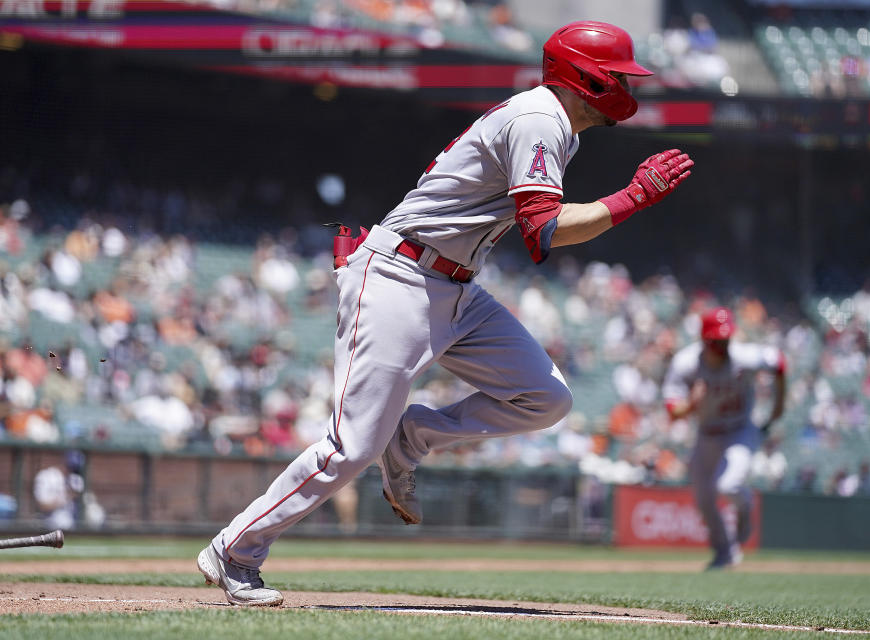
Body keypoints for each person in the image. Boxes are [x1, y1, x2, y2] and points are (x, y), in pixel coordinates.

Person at [198, 20, 694, 606]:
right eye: (617, 75)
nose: (626, 86)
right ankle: (234, 550)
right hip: (400, 279)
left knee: (547, 398)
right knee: (351, 446)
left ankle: (412, 437)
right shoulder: (540, 118)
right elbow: (544, 232)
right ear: (584, 77)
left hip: (453, 286)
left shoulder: (558, 126)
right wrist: (632, 197)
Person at [662, 307, 785, 569]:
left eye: (726, 339)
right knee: (704, 499)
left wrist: (779, 406)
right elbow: (673, 411)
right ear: (705, 340)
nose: (723, 345)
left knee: (728, 486)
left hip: (739, 429)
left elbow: (780, 363)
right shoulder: (686, 363)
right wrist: (691, 404)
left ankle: (745, 506)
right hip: (706, 434)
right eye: (717, 341)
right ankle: (725, 552)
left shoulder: (743, 355)